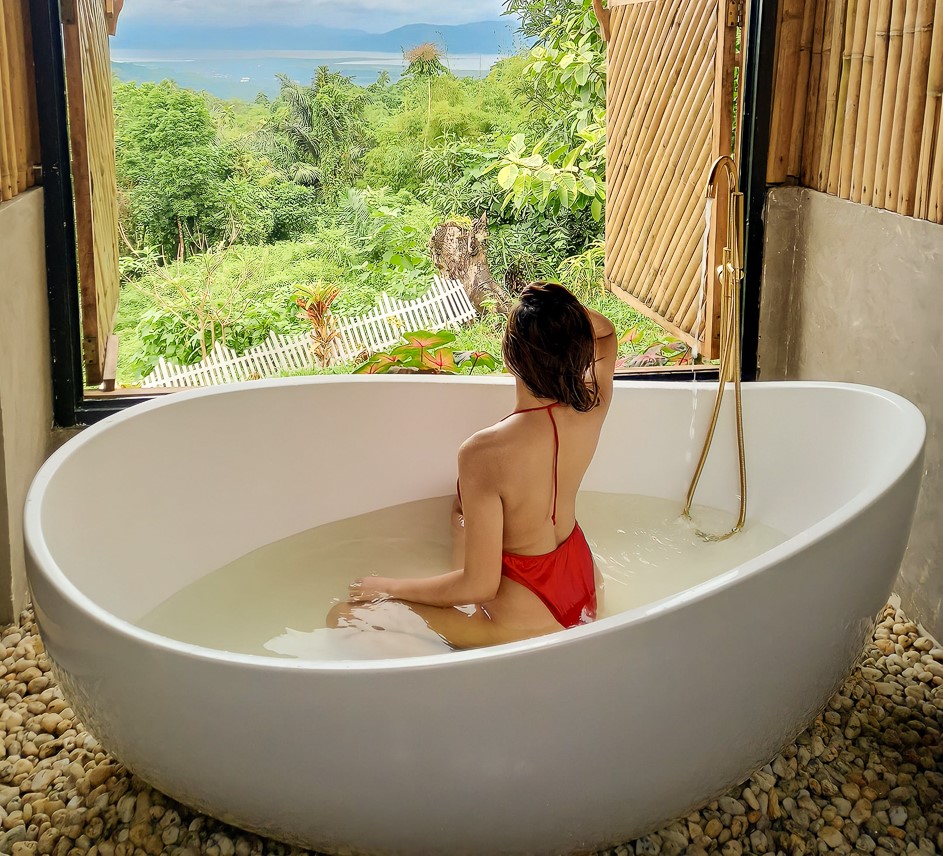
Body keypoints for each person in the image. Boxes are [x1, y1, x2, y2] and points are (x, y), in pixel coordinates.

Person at [328, 282, 617, 649]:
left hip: (527, 619)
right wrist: (558, 311)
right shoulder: (591, 406)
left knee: (342, 615)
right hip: (584, 583)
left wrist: (385, 586)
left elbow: (480, 585)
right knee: (461, 513)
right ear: (575, 349)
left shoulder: (485, 451)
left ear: (510, 357)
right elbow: (606, 333)